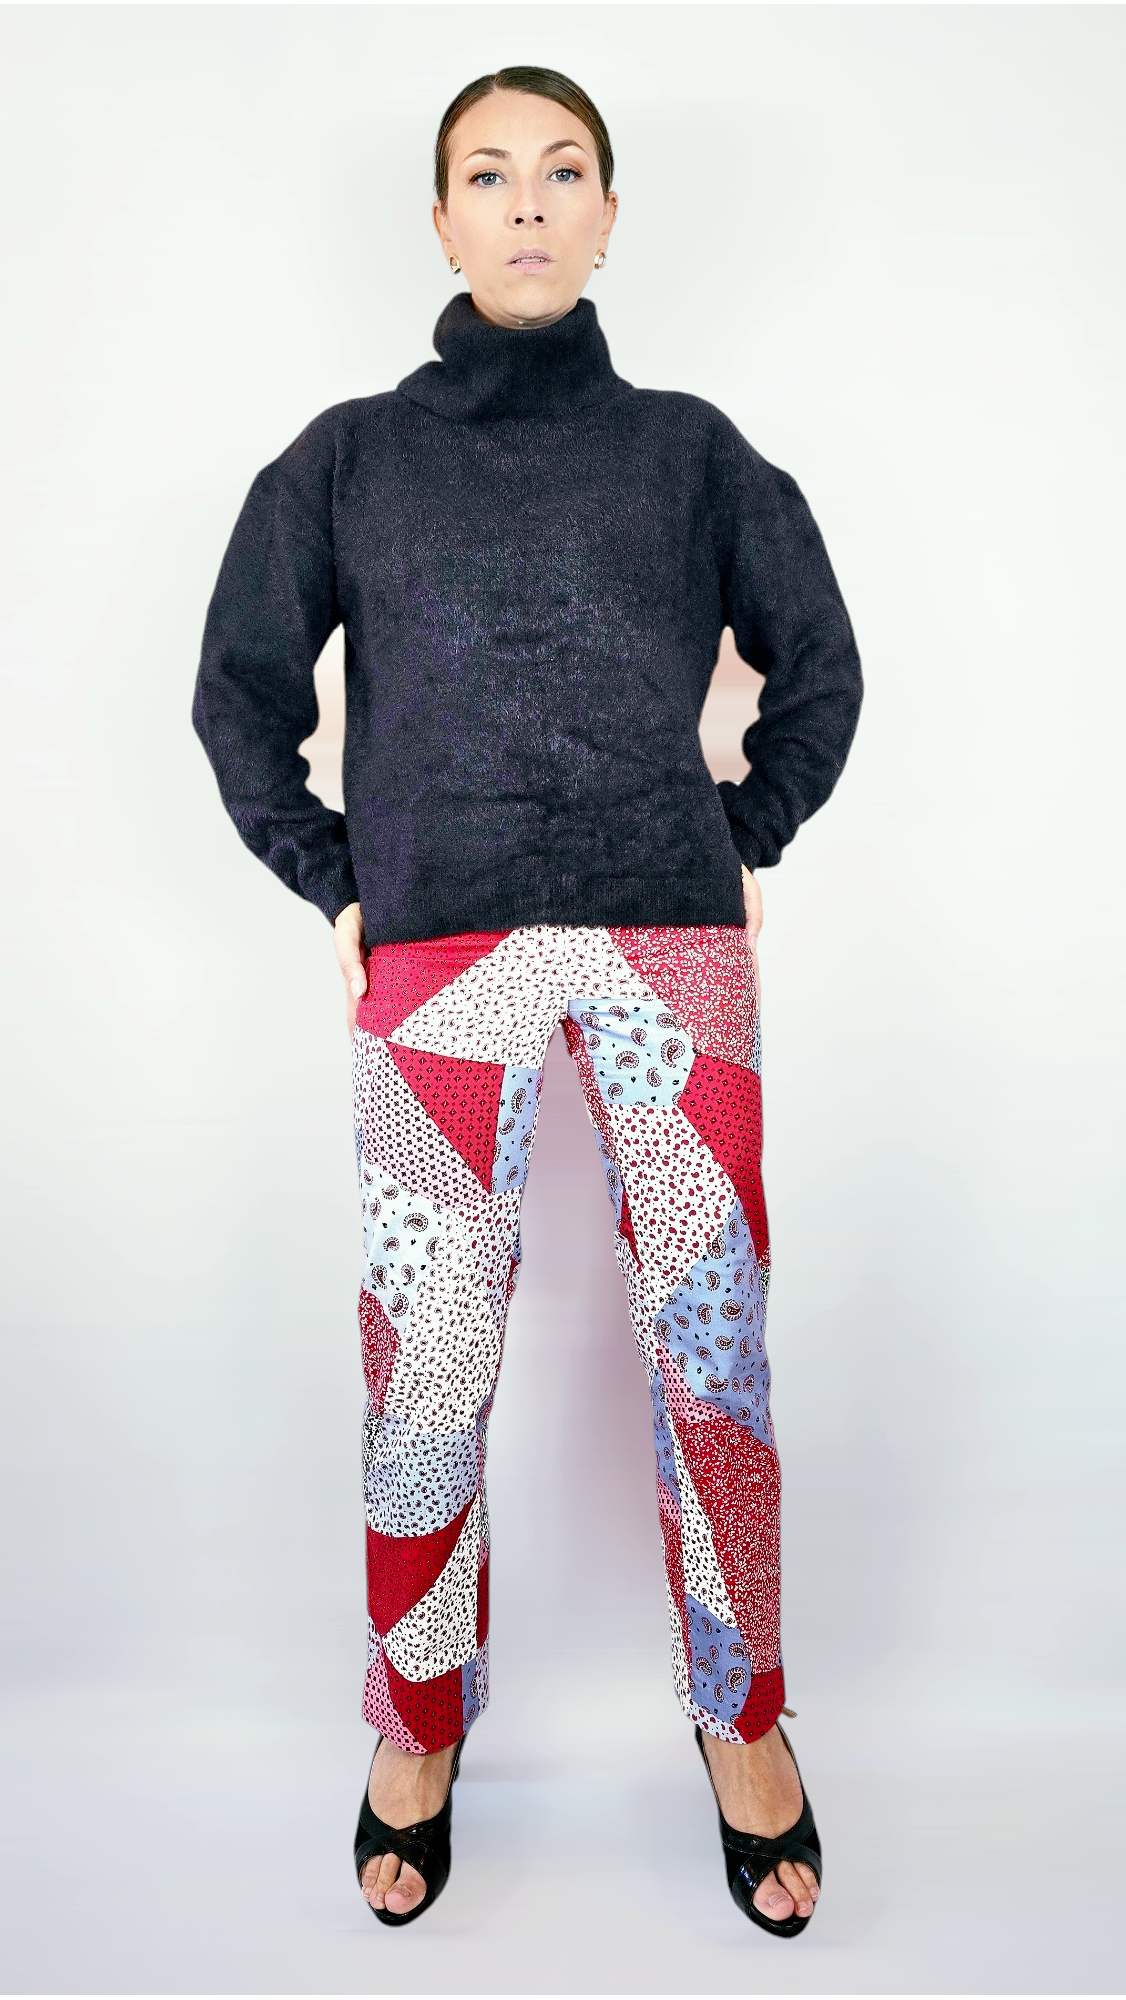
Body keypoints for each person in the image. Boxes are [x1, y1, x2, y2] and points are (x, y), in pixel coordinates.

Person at [193, 64, 861, 1938]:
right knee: (426, 1362)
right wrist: (332, 874)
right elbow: (240, 690)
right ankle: (415, 1724)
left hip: (667, 940)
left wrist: (744, 828)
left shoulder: (692, 453)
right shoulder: (347, 460)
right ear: (440, 221)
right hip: (436, 945)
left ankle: (742, 1716)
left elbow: (818, 663)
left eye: (563, 172)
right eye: (488, 176)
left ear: (609, 215)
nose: (528, 204)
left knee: (711, 1352)